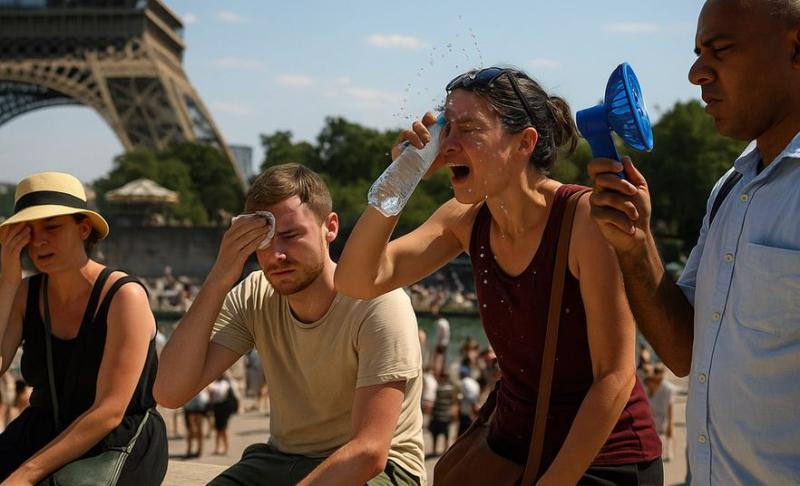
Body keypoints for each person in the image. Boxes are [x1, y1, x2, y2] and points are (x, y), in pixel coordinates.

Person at [336, 66, 662, 484]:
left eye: (468, 129)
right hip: (509, 453)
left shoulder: (583, 220)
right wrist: (402, 176)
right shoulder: (466, 219)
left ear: (525, 142)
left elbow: (614, 377)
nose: (447, 145)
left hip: (603, 460)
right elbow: (356, 280)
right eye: (446, 129)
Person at [587, 0, 800, 482]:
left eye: (719, 50)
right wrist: (635, 245)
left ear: (796, 48)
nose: (695, 74)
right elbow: (683, 350)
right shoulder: (730, 188)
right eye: (698, 53)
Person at [154, 163, 425, 485]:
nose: (276, 255)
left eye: (291, 236)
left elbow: (369, 451)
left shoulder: (379, 302)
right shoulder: (254, 294)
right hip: (282, 458)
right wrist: (221, 275)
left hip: (385, 469)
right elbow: (169, 391)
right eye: (264, 240)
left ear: (330, 227)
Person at [0, 172, 167, 484]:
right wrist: (9, 280)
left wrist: (25, 475)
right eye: (28, 231)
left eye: (51, 227)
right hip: (45, 428)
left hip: (113, 441)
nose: (38, 240)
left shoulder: (124, 296)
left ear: (84, 228)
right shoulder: (26, 293)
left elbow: (109, 411)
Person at [643, 364, 676, 462]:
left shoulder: (668, 389)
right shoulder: (648, 386)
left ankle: (668, 450)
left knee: (666, 433)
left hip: (662, 418)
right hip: (651, 418)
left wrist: (670, 424)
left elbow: (670, 409)